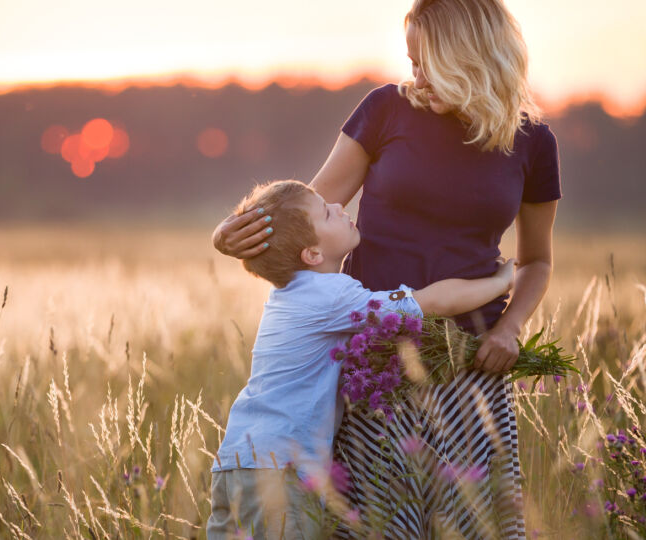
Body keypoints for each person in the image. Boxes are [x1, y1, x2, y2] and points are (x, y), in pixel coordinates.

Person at [212, 0, 559, 536]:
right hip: (375, 370)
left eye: (427, 63)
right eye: (410, 61)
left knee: (478, 528)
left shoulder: (534, 143)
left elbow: (535, 261)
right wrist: (228, 236)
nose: (414, 78)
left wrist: (511, 328)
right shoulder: (385, 111)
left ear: (472, 58)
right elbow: (307, 216)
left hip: (472, 370)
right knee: (377, 529)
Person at [207, 180, 515, 539]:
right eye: (326, 211)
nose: (339, 208)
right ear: (312, 255)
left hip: (235, 461)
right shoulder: (332, 295)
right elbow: (433, 302)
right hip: (280, 469)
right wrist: (501, 282)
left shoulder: (287, 296)